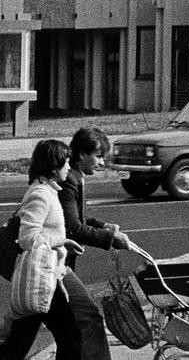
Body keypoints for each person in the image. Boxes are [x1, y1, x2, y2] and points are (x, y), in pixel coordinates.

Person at [0, 139, 83, 360]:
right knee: (70, 337)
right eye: (66, 164)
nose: (69, 168)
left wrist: (60, 243)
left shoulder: (48, 191)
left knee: (19, 342)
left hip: (45, 277)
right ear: (54, 168)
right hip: (39, 279)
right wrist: (59, 240)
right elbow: (28, 238)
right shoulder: (40, 194)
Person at [59, 127, 132, 360]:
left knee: (68, 330)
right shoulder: (69, 179)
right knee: (89, 319)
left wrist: (103, 226)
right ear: (81, 154)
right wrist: (111, 239)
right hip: (55, 265)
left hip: (57, 264)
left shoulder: (75, 177)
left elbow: (78, 220)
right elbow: (74, 228)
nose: (102, 162)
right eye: (98, 156)